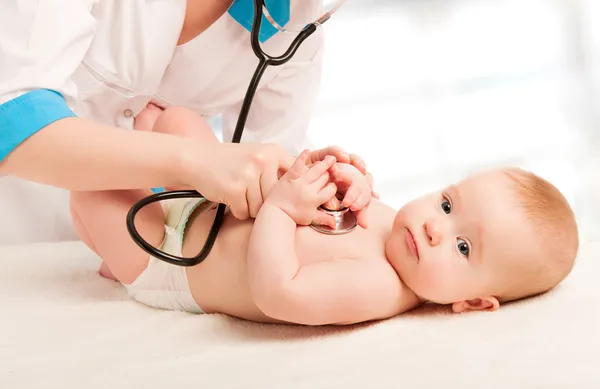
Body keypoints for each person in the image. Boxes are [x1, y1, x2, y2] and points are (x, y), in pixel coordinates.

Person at [71, 106, 580, 325]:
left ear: (472, 302)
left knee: (88, 196)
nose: (434, 225)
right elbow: (323, 208)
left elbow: (278, 292)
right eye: (447, 205)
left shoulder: (381, 287)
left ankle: (117, 263)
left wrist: (280, 208)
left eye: (462, 247)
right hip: (214, 209)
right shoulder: (393, 225)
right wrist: (334, 174)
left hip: (178, 261)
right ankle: (153, 167)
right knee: (178, 120)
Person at [0, 0, 370, 245]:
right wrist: (196, 162)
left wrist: (325, 188)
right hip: (16, 230)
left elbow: (274, 190)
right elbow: (12, 114)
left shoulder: (298, 23)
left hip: (126, 265)